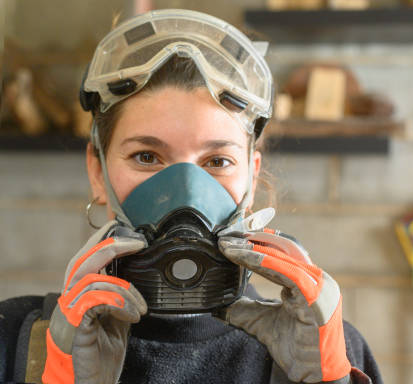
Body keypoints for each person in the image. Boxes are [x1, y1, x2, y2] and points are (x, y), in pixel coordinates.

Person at [0, 9, 382, 384]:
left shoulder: (327, 348)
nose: (185, 191)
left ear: (251, 175)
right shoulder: (15, 341)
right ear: (98, 172)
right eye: (146, 157)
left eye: (217, 160)